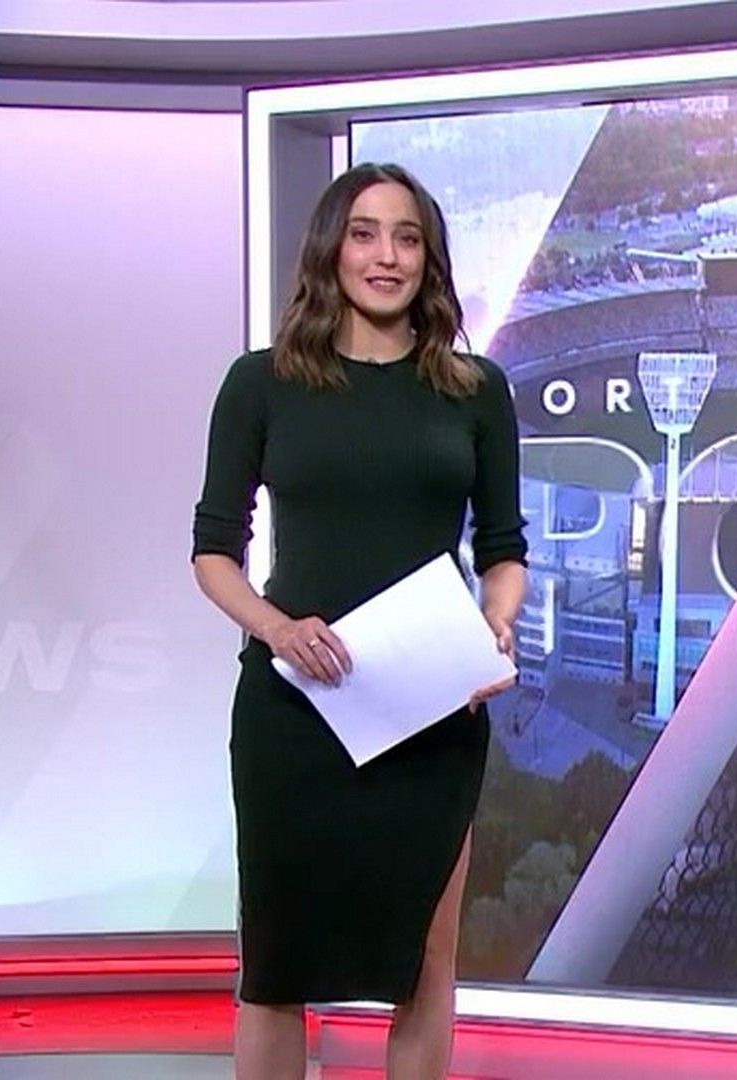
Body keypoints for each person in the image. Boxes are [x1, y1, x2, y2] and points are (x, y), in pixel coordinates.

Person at [191, 163, 526, 1079]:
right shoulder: (261, 383)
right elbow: (213, 552)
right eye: (365, 233)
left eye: (407, 237)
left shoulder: (475, 390)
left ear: (429, 258)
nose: (387, 256)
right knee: (275, 967)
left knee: (426, 961)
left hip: (430, 714)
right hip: (295, 711)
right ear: (330, 250)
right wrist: (277, 629)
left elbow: (504, 549)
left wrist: (494, 625)